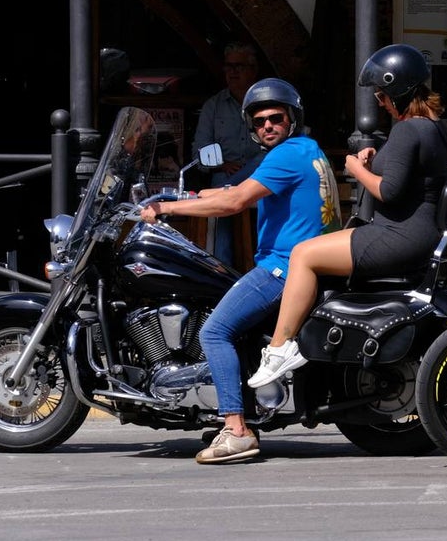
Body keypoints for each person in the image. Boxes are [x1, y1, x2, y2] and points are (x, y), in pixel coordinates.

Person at [140, 78, 342, 464]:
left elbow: (234, 202)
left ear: (292, 118)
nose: (267, 126)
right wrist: (186, 196)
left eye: (275, 118)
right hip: (297, 264)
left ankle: (235, 430)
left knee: (215, 331)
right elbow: (237, 190)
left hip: (281, 268)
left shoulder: (285, 156)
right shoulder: (305, 150)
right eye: (259, 121)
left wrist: (166, 210)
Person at [246, 43, 447, 388]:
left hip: (398, 235)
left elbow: (389, 191)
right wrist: (379, 156)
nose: (379, 100)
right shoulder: (431, 127)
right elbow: (409, 174)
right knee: (314, 249)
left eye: (382, 94)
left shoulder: (407, 129)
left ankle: (280, 348)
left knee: (303, 254)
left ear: (397, 90)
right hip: (413, 231)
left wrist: (356, 167)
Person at [192, 42, 265, 266]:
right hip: (226, 175)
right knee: (222, 192)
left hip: (261, 176)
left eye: (239, 66)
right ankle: (221, 267)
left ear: (253, 69)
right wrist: (221, 165)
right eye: (228, 66)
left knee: (263, 161)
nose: (232, 71)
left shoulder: (266, 102)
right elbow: (199, 150)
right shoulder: (213, 106)